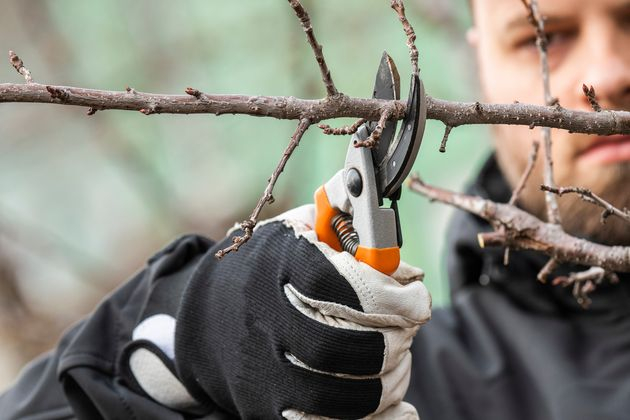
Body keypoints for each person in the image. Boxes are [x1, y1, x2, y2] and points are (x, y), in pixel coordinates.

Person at [1, 0, 630, 418]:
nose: (607, 71)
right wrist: (179, 341)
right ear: (481, 66)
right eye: (543, 38)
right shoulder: (389, 383)